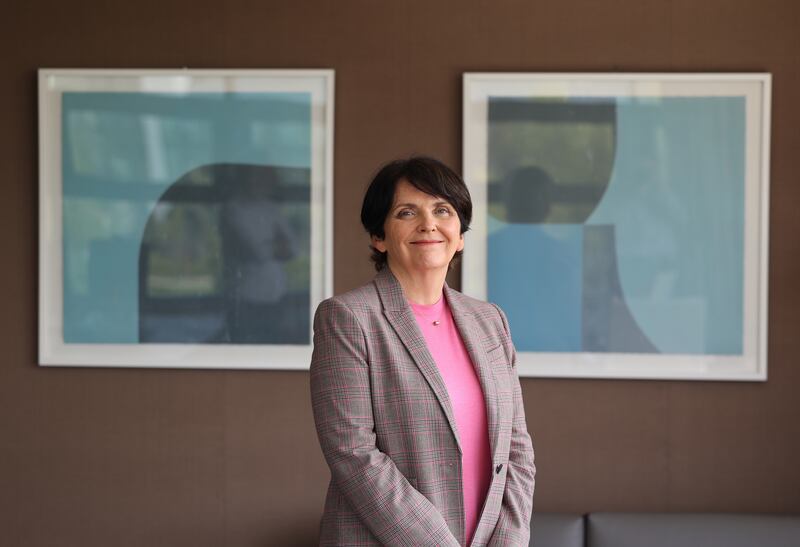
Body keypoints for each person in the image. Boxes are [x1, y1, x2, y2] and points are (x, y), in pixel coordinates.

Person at [310, 157, 535, 546]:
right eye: (407, 212)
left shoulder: (490, 321)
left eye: (442, 210)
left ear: (460, 234)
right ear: (379, 236)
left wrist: (508, 541)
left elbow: (516, 449)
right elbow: (354, 454)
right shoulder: (348, 318)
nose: (428, 224)